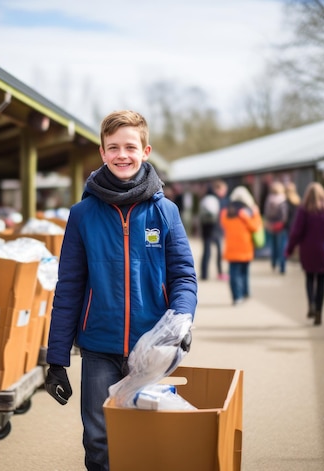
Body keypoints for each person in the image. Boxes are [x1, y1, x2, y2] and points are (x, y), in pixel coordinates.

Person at [44, 110, 198, 471]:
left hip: (153, 348)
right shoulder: (82, 214)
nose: (122, 155)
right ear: (102, 153)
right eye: (113, 147)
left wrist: (182, 322)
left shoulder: (166, 212)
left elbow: (184, 277)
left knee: (149, 436)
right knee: (98, 441)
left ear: (146, 151)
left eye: (130, 146)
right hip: (99, 348)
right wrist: (56, 358)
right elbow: (69, 287)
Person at [285, 182, 324, 325]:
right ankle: (319, 312)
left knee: (310, 278)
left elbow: (296, 232)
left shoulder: (303, 210)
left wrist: (290, 248)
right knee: (322, 281)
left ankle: (311, 303)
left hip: (307, 250)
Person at [220, 185, 262, 305]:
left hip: (232, 249)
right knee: (244, 272)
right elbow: (255, 227)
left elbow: (224, 224)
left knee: (234, 274)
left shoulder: (226, 212)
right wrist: (255, 214)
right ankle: (245, 292)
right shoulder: (248, 212)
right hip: (246, 247)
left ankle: (236, 296)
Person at [198, 180, 228, 280]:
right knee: (218, 252)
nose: (225, 192)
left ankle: (204, 274)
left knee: (207, 252)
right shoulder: (218, 200)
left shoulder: (206, 198)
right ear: (218, 189)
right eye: (223, 190)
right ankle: (220, 273)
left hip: (206, 229)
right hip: (216, 229)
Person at [263, 181, 289, 274]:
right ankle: (282, 267)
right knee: (282, 247)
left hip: (271, 225)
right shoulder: (282, 200)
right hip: (280, 226)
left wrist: (268, 223)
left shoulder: (269, 199)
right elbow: (284, 215)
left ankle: (274, 262)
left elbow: (266, 213)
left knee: (273, 246)